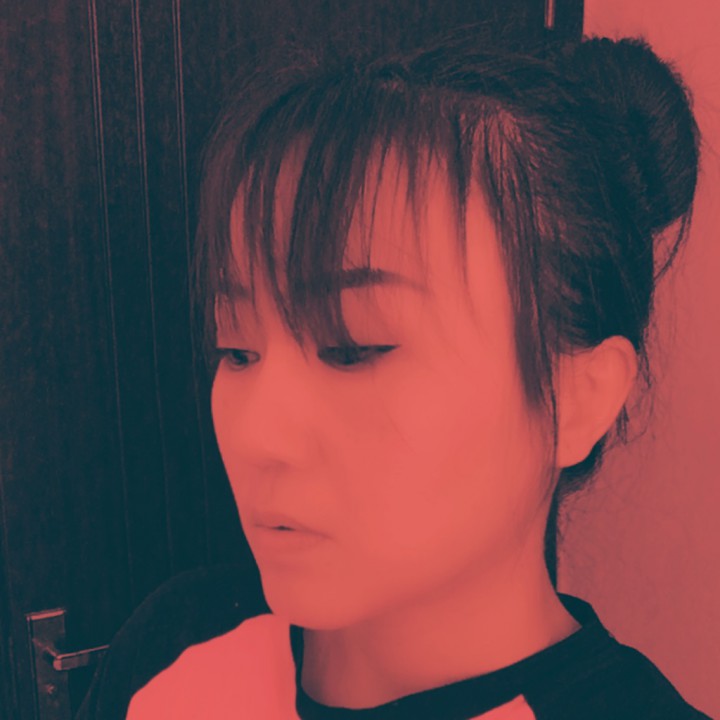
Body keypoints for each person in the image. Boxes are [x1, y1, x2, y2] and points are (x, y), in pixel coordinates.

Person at [76, 21, 712, 720]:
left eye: (352, 348)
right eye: (237, 350)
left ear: (578, 397)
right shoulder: (174, 646)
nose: (257, 436)